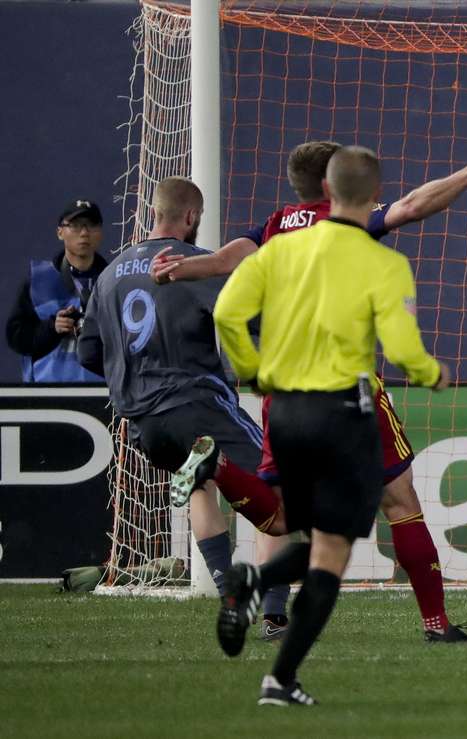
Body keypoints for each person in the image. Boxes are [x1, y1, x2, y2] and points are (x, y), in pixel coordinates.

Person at [152, 136, 467, 642]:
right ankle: (436, 624)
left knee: (279, 518)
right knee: (400, 502)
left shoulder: (276, 226)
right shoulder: (347, 222)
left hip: (282, 393)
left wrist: (187, 266)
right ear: (332, 180)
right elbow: (412, 206)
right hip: (346, 388)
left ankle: (220, 468)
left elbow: (231, 258)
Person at [212, 145, 451, 706]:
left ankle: (253, 583)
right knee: (333, 551)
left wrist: (252, 373)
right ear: (370, 197)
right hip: (343, 412)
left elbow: (226, 311)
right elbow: (399, 345)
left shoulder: (278, 249)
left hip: (284, 410)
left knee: (295, 523)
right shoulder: (381, 261)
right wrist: (429, 372)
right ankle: (279, 674)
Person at [76, 177, 290, 606]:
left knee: (200, 486)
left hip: (142, 424)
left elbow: (88, 352)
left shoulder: (110, 274)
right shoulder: (192, 264)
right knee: (281, 493)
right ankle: (273, 615)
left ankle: (229, 589)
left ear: (154, 212)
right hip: (196, 403)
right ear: (191, 217)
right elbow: (246, 319)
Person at [7, 198, 109, 382]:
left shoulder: (112, 280)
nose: (84, 232)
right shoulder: (39, 280)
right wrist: (52, 327)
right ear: (60, 232)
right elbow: (16, 337)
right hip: (49, 391)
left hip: (102, 391)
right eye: (76, 225)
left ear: (100, 232)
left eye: (91, 225)